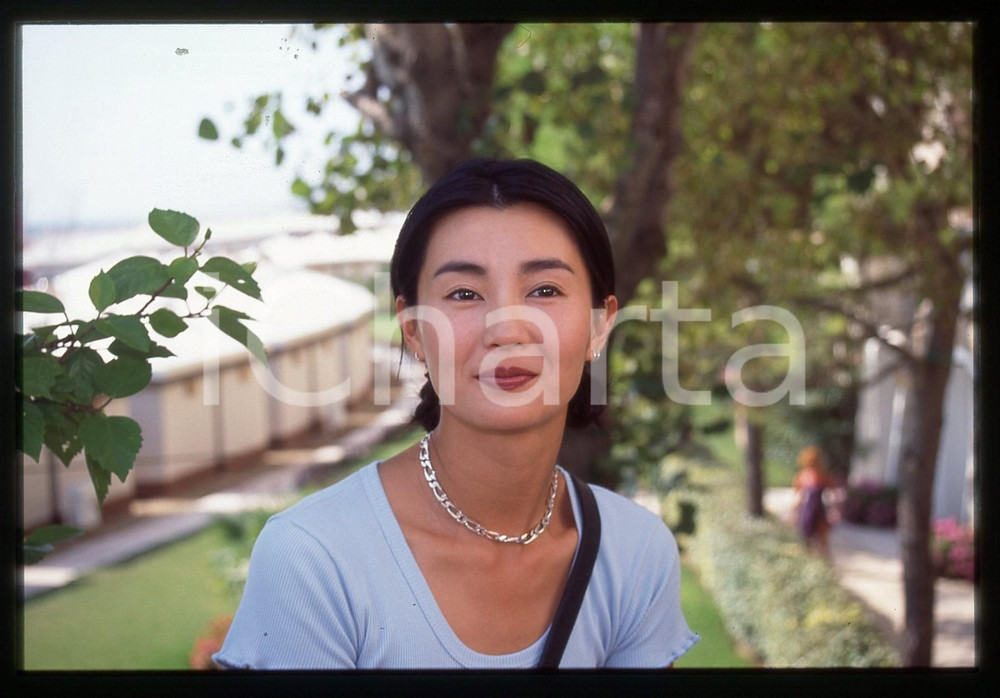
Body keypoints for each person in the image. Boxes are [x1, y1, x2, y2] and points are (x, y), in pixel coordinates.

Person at [213, 158, 699, 669]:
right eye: (464, 294)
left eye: (544, 290)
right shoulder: (314, 559)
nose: (506, 329)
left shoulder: (635, 554)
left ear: (599, 326)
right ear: (414, 330)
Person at [791, 446, 838, 557]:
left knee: (822, 540)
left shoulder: (823, 476)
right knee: (806, 539)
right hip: (807, 511)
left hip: (819, 510)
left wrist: (834, 510)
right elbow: (798, 497)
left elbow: (833, 495)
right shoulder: (802, 476)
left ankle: (825, 564)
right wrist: (793, 512)